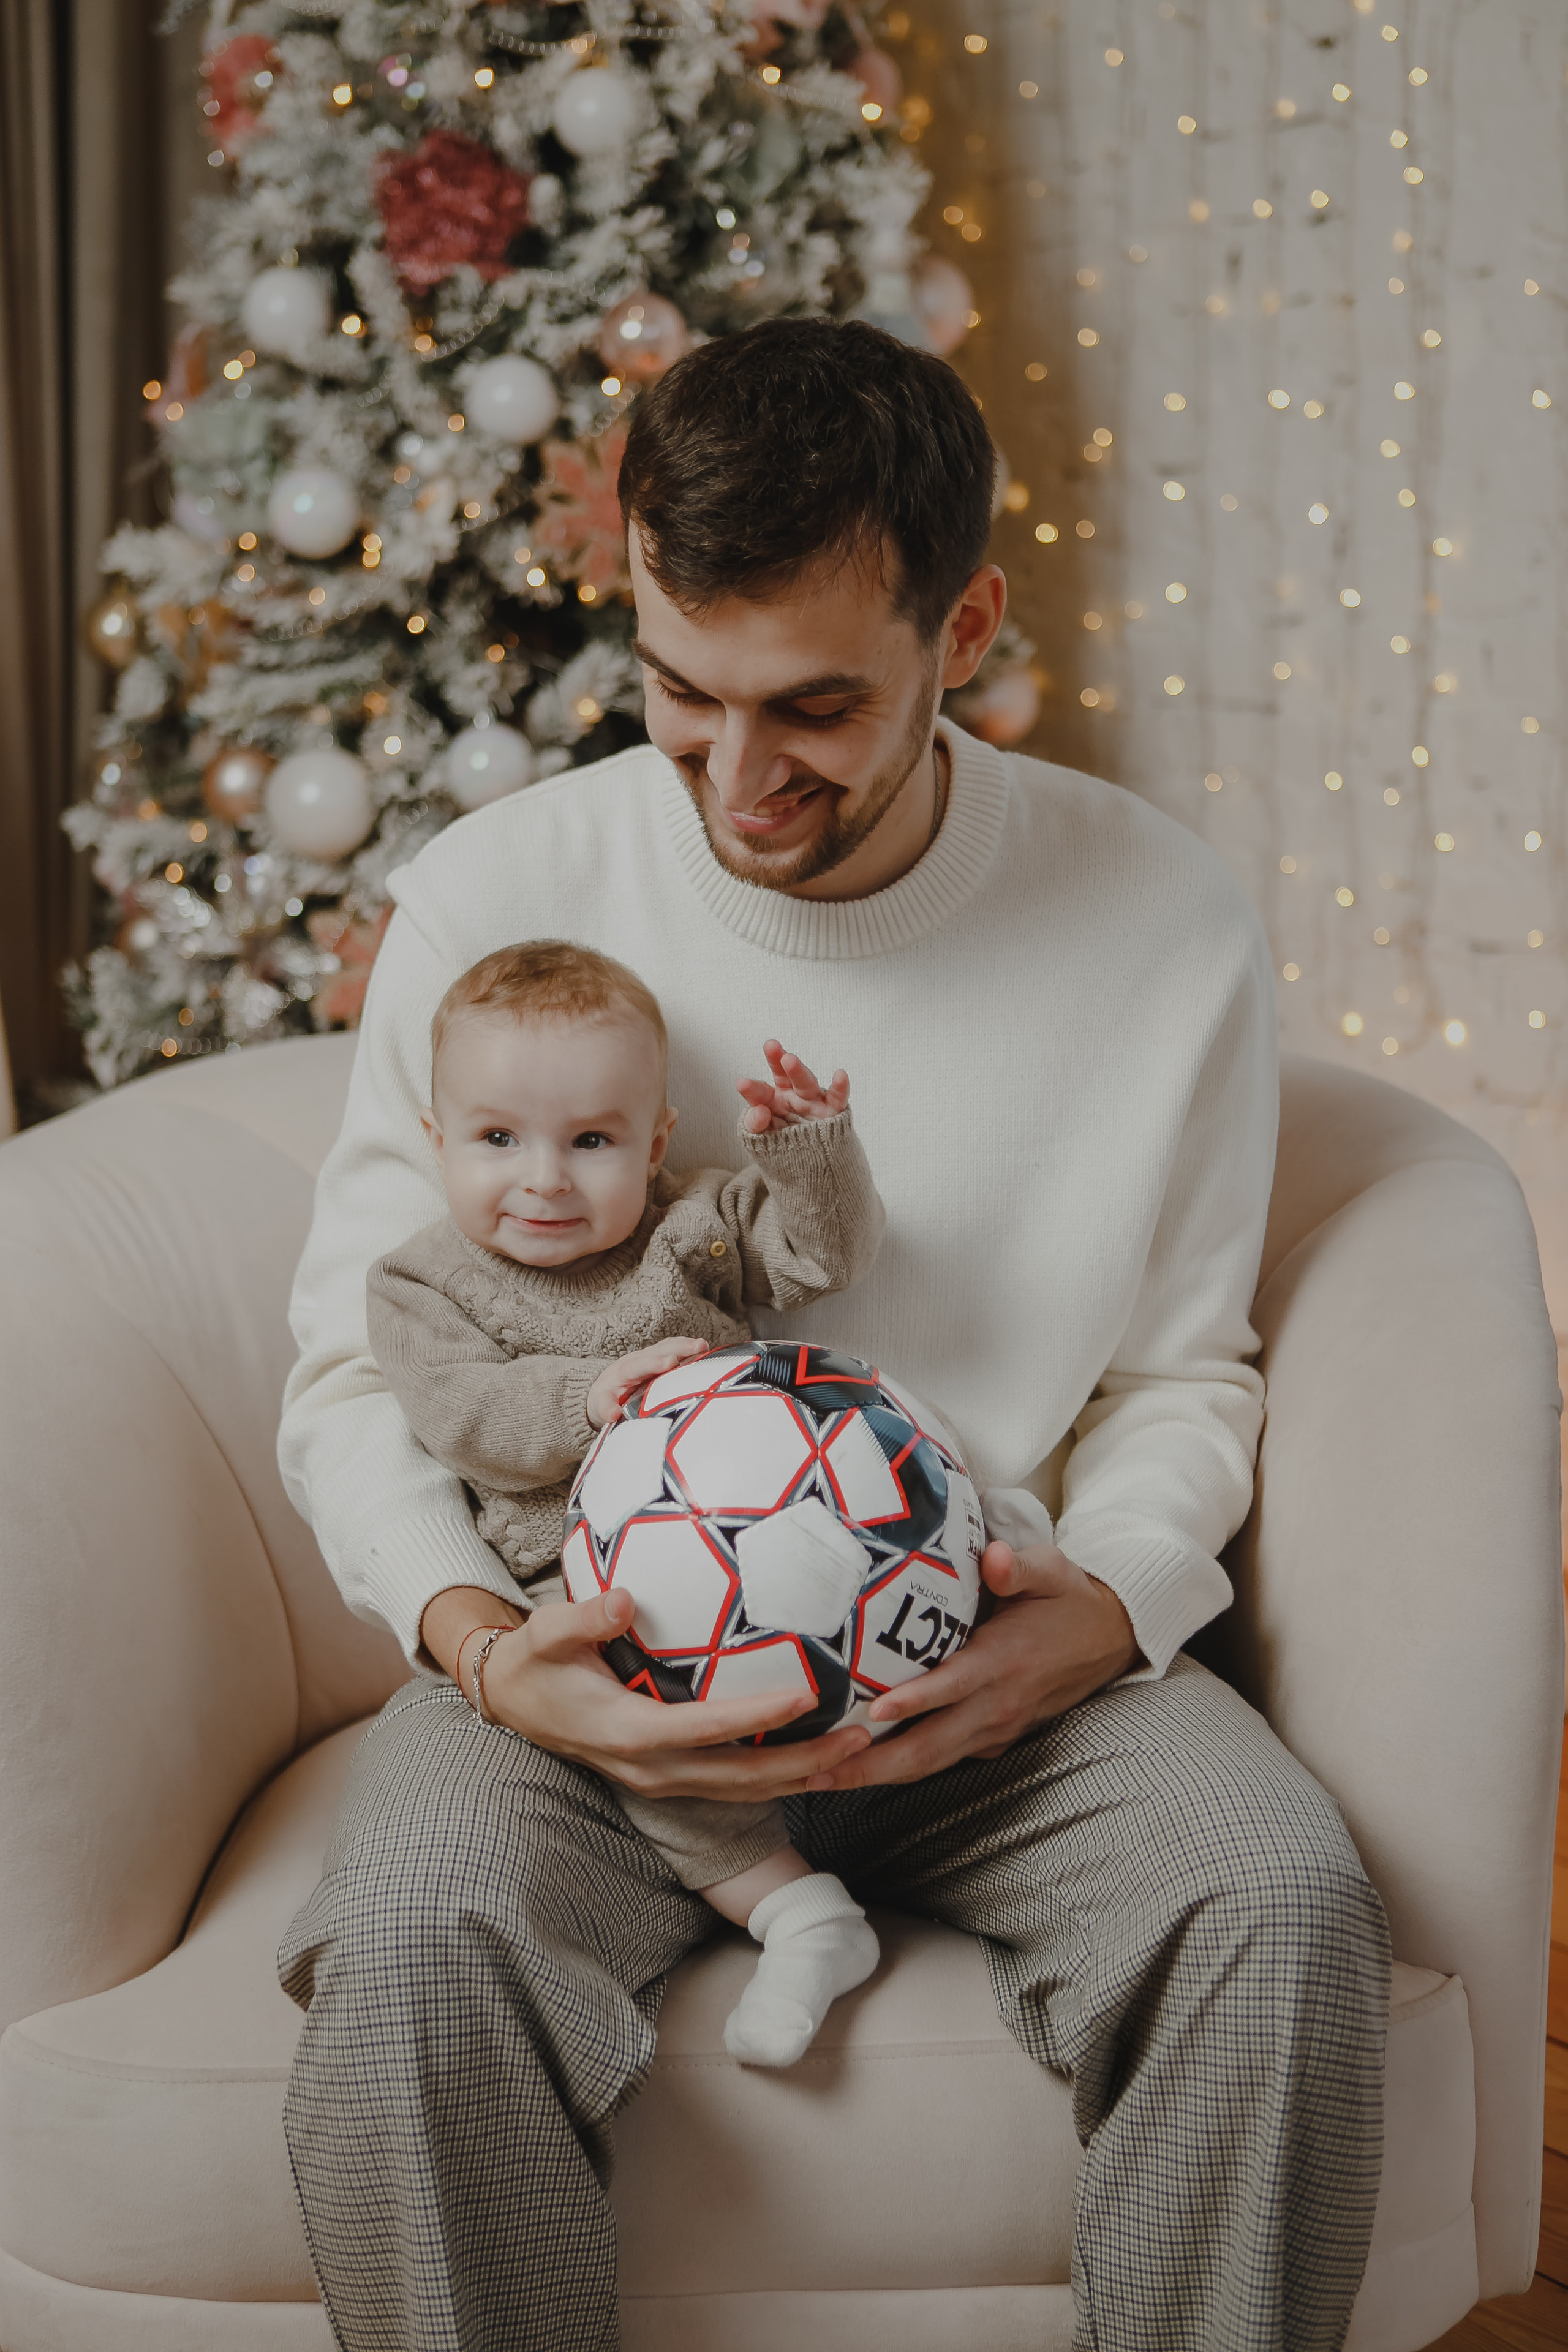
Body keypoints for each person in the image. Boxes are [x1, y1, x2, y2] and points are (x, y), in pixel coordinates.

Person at [277, 316, 1389, 2352]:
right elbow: (366, 1375)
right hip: (586, 1656)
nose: (734, 773)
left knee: (1278, 1897)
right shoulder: (495, 889)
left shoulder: (1159, 920)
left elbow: (1178, 1371)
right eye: (679, 692)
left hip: (999, 1664)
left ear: (963, 627)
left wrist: (1113, 1606)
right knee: (417, 1935)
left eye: (812, 711)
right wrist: (486, 1656)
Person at [364, 935, 887, 2065]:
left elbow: (823, 1257)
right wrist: (589, 1397)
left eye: (591, 1141)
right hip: (588, 1590)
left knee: (882, 1536)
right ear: (436, 1144)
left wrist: (808, 1152)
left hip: (772, 1518)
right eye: (498, 1139)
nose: (545, 1178)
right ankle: (797, 1912)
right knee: (649, 1726)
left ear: (653, 1146)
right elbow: (462, 1417)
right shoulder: (422, 1282)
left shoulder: (690, 1223)